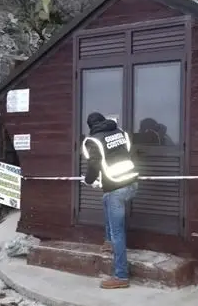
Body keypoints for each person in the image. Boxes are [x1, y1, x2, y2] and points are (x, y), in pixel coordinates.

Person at [81, 112, 139, 289]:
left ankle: (121, 276)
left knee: (118, 233)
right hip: (132, 183)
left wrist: (89, 180)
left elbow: (94, 164)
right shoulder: (119, 132)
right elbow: (129, 151)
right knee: (105, 199)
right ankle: (108, 242)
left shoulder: (93, 140)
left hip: (116, 187)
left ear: (90, 126)